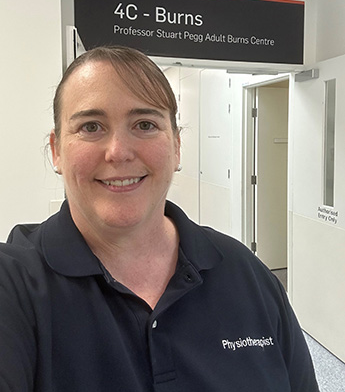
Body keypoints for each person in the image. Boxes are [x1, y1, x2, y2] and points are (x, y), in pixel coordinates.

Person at [0, 46, 319, 391]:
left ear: (177, 146)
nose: (119, 152)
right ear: (57, 150)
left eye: (145, 124)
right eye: (91, 126)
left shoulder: (245, 273)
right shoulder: (15, 287)